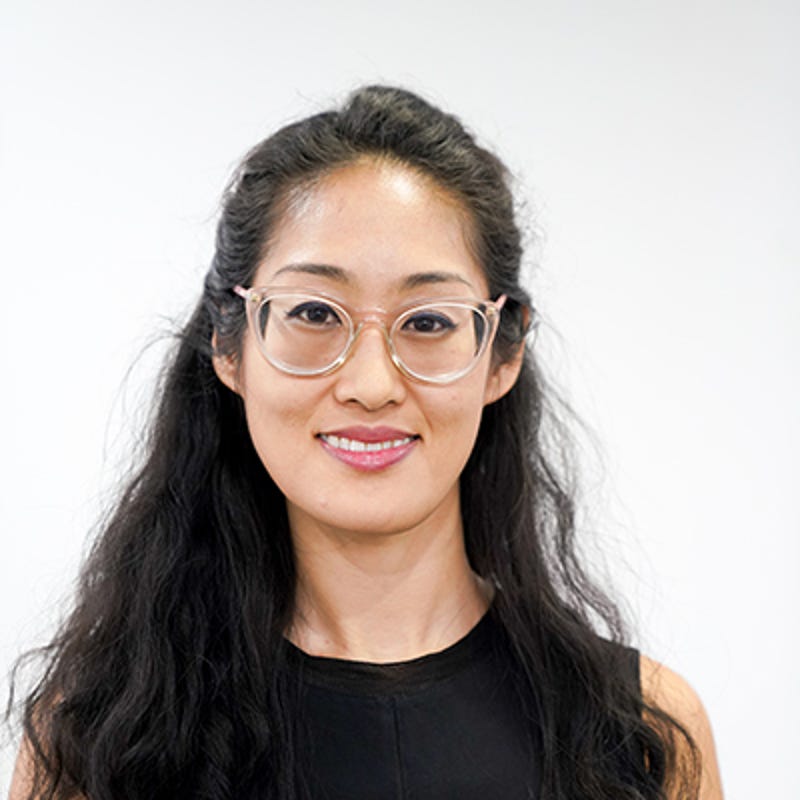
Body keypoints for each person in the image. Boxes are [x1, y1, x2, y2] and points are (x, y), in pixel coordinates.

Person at [8, 85, 723, 799]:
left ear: (502, 355)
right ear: (229, 344)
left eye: (429, 321)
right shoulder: (98, 740)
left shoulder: (642, 732)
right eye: (315, 313)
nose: (372, 383)